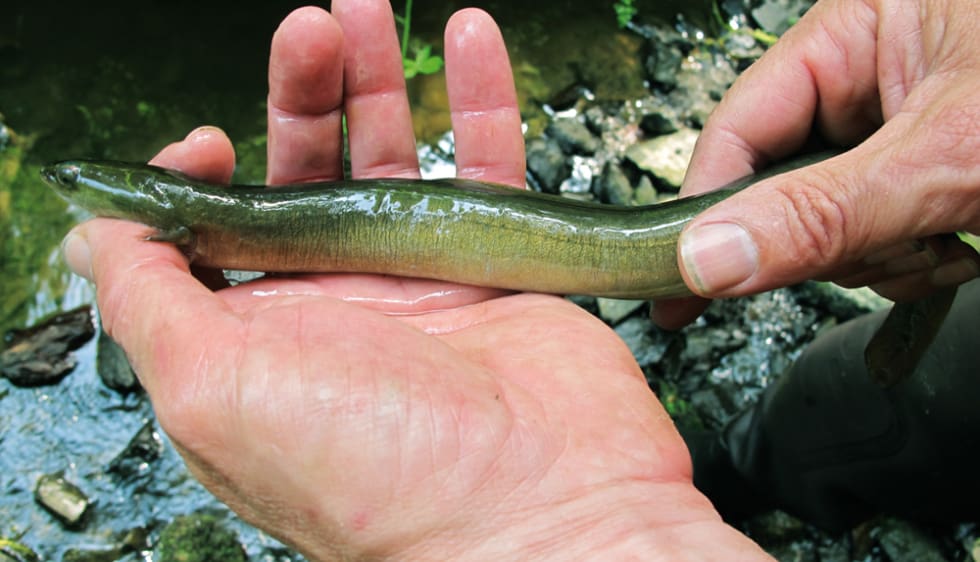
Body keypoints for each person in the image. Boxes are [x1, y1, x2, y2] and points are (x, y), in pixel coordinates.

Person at [57, 0, 978, 559]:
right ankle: (739, 473)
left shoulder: (192, 217)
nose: (67, 193)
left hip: (671, 244)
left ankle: (742, 473)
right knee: (841, 400)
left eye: (74, 185)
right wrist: (566, 533)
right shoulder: (205, 219)